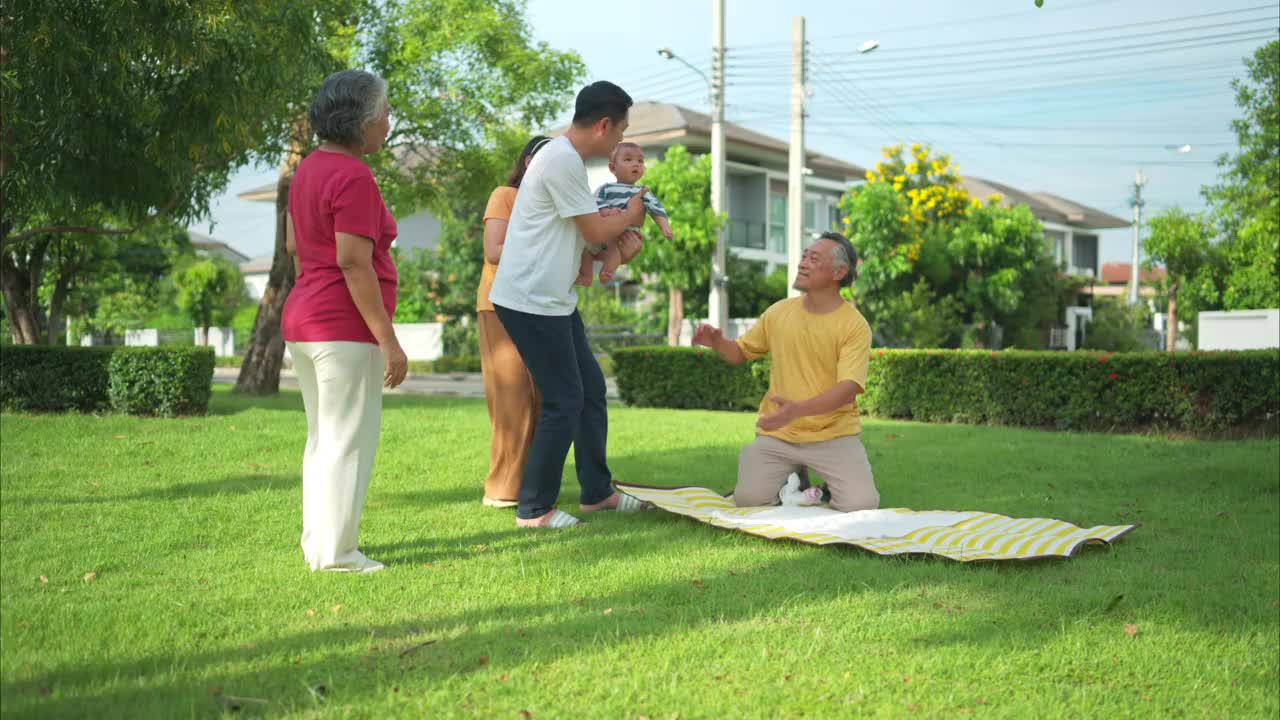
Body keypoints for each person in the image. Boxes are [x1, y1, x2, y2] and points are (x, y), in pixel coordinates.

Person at [488, 81, 649, 528]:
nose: (622, 141)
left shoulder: (566, 160)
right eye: (621, 131)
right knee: (564, 399)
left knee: (591, 390)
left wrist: (614, 250)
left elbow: (582, 235)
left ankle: (597, 493)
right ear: (603, 125)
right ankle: (534, 510)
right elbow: (597, 230)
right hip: (529, 300)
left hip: (554, 299)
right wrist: (631, 217)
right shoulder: (560, 161)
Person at [281, 69, 407, 572]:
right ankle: (337, 555)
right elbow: (354, 262)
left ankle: (320, 545)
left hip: (308, 319)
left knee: (324, 440)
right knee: (346, 441)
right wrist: (389, 340)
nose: (389, 122)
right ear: (362, 121)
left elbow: (295, 247)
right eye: (385, 112)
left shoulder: (309, 168)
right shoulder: (353, 175)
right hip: (342, 324)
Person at [692, 231, 880, 513]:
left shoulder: (854, 325)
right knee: (748, 499)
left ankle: (817, 484)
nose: (802, 263)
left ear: (839, 272)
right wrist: (718, 343)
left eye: (813, 258)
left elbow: (848, 388)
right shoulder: (779, 312)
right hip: (779, 435)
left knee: (861, 505)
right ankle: (796, 482)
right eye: (804, 255)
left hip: (833, 434)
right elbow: (741, 352)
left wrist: (798, 410)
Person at [476, 135, 551, 508]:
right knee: (512, 397)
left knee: (541, 398)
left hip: (540, 308)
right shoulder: (505, 195)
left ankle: (527, 485)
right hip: (499, 306)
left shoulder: (556, 206)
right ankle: (502, 489)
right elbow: (494, 250)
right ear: (526, 162)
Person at [576, 141, 672, 286]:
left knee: (614, 252)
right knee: (585, 250)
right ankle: (586, 275)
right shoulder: (606, 188)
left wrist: (665, 227)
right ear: (612, 168)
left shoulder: (642, 191)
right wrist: (607, 211)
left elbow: (656, 208)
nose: (636, 164)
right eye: (628, 159)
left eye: (640, 161)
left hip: (626, 235)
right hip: (606, 231)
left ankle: (607, 272)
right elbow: (596, 202)